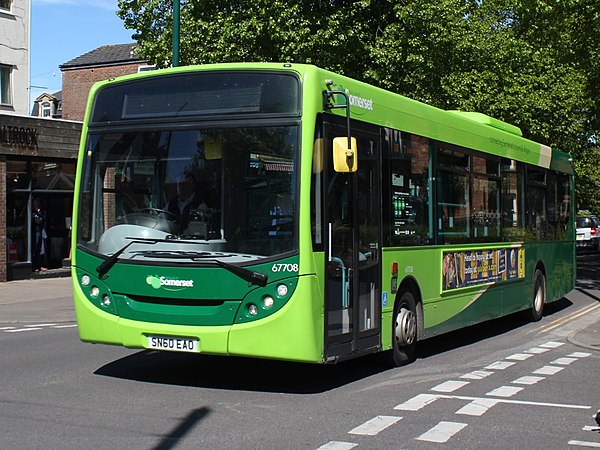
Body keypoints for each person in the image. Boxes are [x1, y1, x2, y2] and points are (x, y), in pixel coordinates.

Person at [32, 205, 47, 272]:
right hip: (35, 233)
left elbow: (43, 219)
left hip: (39, 232)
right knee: (35, 250)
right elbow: (39, 221)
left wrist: (40, 214)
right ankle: (34, 266)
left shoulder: (39, 214)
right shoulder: (33, 213)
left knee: (39, 250)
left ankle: (38, 266)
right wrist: (38, 215)